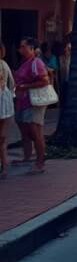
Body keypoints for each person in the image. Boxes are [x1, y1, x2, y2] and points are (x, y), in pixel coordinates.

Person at [13, 37, 49, 174]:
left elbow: (44, 80)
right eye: (20, 47)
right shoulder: (25, 62)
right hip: (23, 101)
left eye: (24, 47)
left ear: (32, 48)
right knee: (25, 130)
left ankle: (40, 161)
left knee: (36, 131)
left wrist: (25, 86)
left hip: (33, 102)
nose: (21, 49)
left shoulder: (36, 63)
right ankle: (27, 157)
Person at [0, 44, 14, 179]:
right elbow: (12, 84)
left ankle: (4, 166)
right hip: (5, 101)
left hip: (3, 102)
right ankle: (4, 166)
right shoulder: (4, 64)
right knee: (2, 138)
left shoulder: (3, 65)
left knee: (2, 138)